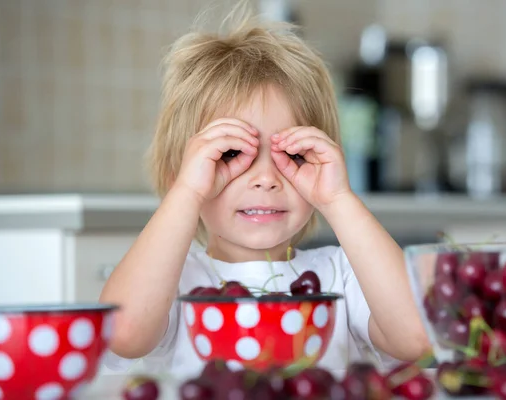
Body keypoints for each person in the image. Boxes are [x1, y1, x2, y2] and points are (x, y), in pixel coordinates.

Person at [99, 1, 429, 380]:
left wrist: (339, 200)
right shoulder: (175, 281)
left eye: (292, 154)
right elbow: (122, 334)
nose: (266, 178)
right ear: (183, 172)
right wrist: (185, 194)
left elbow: (417, 338)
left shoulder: (341, 275)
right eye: (232, 154)